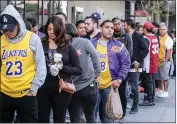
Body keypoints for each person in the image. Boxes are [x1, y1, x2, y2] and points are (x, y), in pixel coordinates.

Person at [0, 5, 47, 123]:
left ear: (18, 24)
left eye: (10, 29)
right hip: (4, 93)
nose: (8, 32)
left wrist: (34, 88)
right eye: (4, 30)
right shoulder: (2, 40)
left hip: (27, 93)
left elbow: (41, 66)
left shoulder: (33, 39)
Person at [37, 16, 82, 123]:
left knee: (59, 119)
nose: (51, 32)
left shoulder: (67, 46)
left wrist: (62, 67)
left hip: (62, 88)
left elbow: (78, 70)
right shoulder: (41, 44)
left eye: (54, 29)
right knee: (42, 119)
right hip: (43, 87)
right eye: (49, 29)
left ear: (60, 29)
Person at [91, 20, 131, 123]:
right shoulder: (91, 44)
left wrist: (119, 79)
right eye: (107, 27)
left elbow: (126, 63)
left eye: (112, 28)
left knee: (107, 116)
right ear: (100, 29)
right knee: (91, 115)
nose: (110, 30)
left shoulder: (119, 45)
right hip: (93, 84)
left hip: (109, 85)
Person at [65, 23, 101, 123]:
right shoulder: (84, 42)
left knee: (74, 118)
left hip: (72, 87)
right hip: (89, 84)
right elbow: (95, 55)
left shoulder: (63, 45)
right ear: (74, 31)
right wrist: (97, 72)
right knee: (90, 116)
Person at [124, 19, 149, 114]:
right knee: (123, 84)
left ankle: (135, 105)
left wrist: (137, 60)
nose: (123, 27)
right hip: (125, 64)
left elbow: (146, 49)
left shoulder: (138, 36)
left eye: (125, 25)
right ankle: (125, 103)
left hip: (136, 64)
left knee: (135, 86)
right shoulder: (125, 36)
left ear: (129, 26)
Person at [112, 17, 133, 110]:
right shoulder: (110, 36)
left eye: (118, 23)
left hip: (122, 68)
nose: (116, 26)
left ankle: (122, 114)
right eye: (115, 24)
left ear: (121, 24)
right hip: (111, 67)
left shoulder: (126, 36)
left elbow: (129, 53)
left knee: (122, 91)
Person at [139, 22, 159, 106]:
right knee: (152, 81)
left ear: (145, 29)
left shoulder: (146, 38)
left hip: (148, 63)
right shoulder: (155, 37)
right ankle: (151, 98)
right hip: (154, 62)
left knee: (149, 82)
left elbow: (145, 51)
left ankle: (149, 100)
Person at [155, 22, 173, 98]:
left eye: (163, 29)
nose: (162, 31)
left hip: (165, 61)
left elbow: (169, 50)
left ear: (166, 30)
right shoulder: (159, 37)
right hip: (158, 60)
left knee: (165, 77)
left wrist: (166, 61)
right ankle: (160, 90)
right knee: (159, 77)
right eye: (160, 29)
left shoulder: (168, 39)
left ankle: (166, 92)